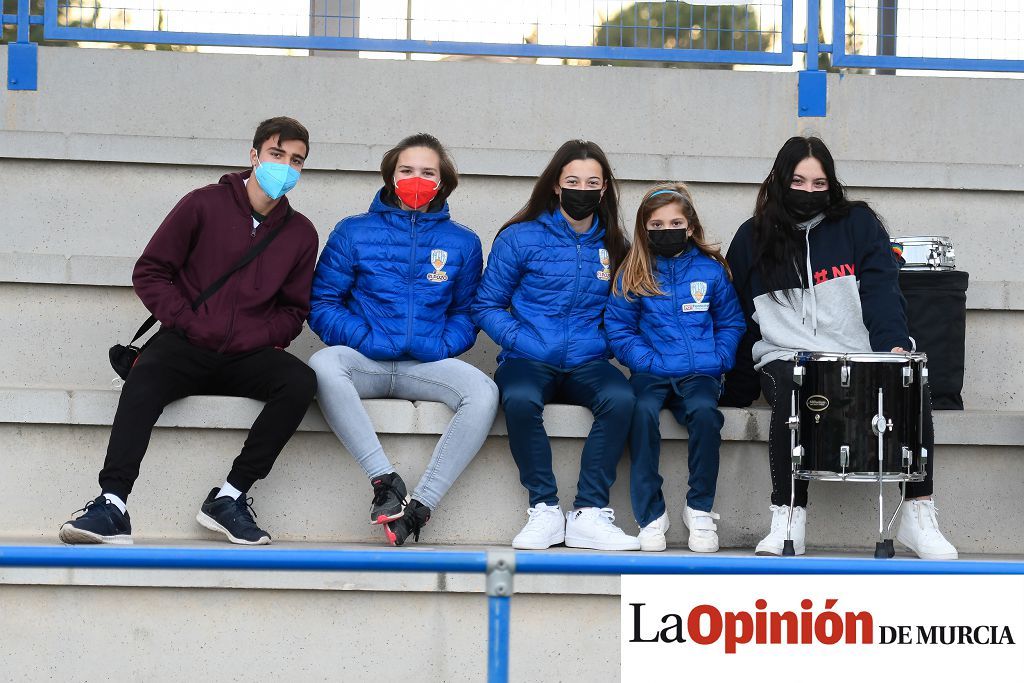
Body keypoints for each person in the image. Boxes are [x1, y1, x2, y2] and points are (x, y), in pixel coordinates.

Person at [59, 116, 320, 546]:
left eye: (297, 161)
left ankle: (230, 497)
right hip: (187, 342)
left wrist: (255, 337)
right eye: (277, 155)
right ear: (254, 156)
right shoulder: (203, 204)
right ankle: (112, 504)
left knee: (300, 381)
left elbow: (294, 310)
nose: (286, 167)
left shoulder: (301, 233)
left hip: (246, 352)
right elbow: (151, 272)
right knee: (145, 379)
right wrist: (189, 321)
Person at [726, 136, 957, 560]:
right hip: (785, 355)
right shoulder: (750, 238)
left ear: (831, 184)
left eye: (819, 183)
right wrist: (733, 391)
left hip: (855, 352)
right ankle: (788, 514)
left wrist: (892, 345)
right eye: (798, 181)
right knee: (793, 383)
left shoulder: (859, 224)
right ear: (778, 180)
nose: (809, 192)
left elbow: (883, 291)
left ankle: (918, 510)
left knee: (914, 376)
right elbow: (738, 318)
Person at [308, 133, 498, 547]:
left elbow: (467, 313)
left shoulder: (463, 241)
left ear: (442, 180)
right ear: (391, 176)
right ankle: (385, 481)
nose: (417, 179)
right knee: (323, 365)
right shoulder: (353, 231)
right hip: (367, 360)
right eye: (407, 170)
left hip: (425, 365)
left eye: (427, 172)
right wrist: (365, 337)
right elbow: (322, 303)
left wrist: (440, 346)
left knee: (483, 391)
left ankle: (421, 506)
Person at [474, 139, 638, 551]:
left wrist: (601, 343)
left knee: (620, 397)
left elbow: (625, 314)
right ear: (555, 186)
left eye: (592, 182)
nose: (582, 189)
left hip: (587, 359)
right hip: (528, 357)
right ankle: (545, 508)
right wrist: (524, 340)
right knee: (520, 398)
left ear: (603, 191)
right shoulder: (519, 238)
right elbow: (487, 304)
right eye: (572, 181)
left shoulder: (617, 245)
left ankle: (588, 513)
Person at [606, 183, 745, 553]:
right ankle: (651, 515)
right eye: (656, 225)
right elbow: (619, 329)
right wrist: (647, 361)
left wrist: (718, 359)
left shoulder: (711, 271)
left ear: (690, 225)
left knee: (704, 414)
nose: (666, 231)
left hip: (701, 372)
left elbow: (731, 322)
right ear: (643, 229)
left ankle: (699, 509)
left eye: (675, 222)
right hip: (651, 373)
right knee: (642, 413)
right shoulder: (633, 272)